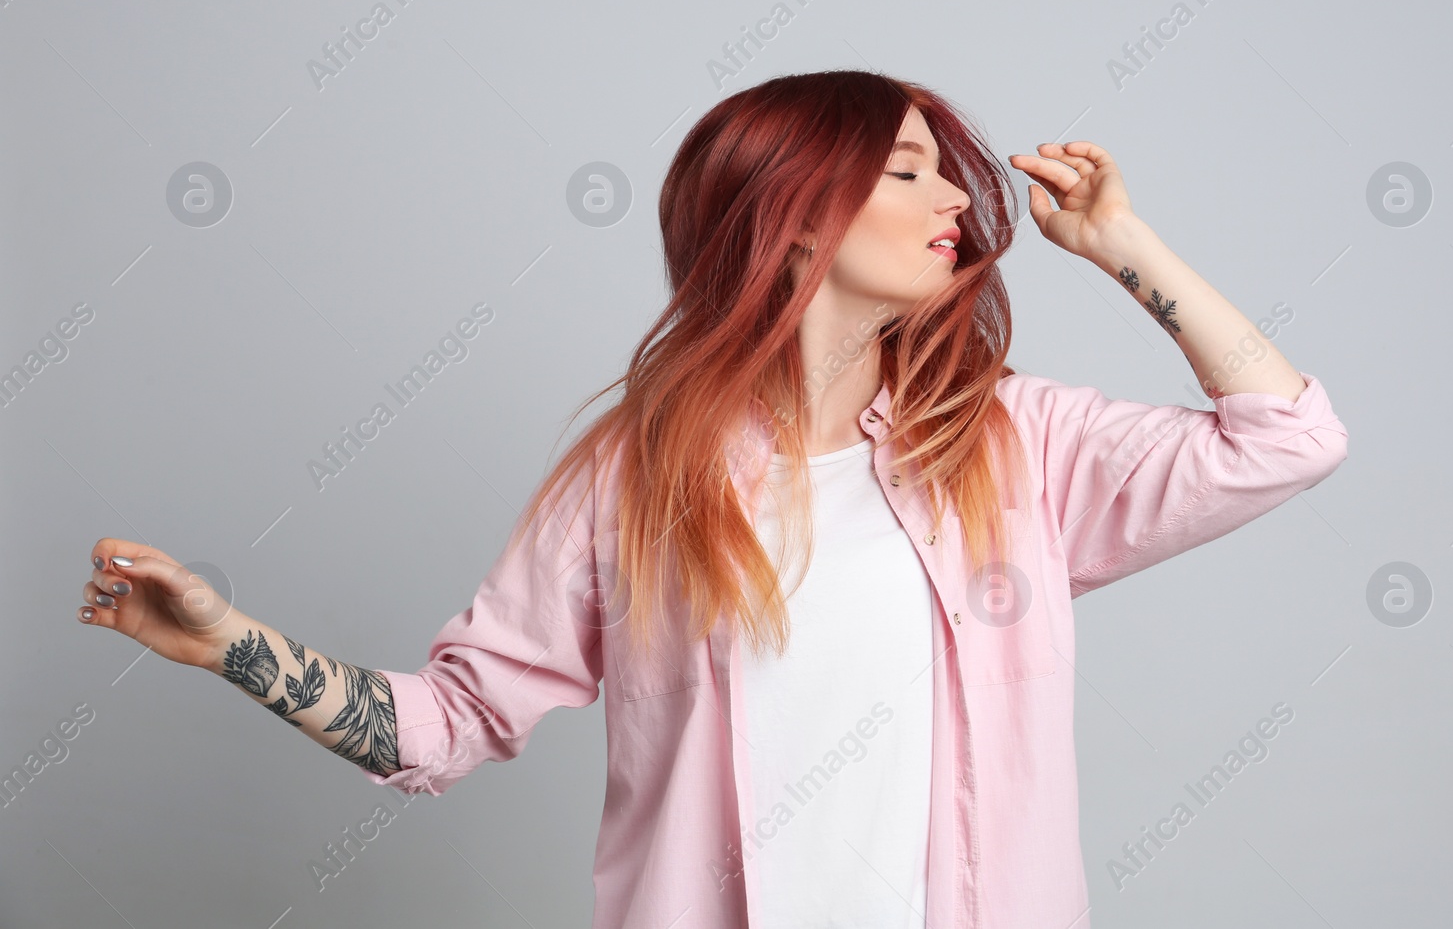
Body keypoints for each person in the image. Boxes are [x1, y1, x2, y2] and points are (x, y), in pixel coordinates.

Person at [77, 69, 1349, 928]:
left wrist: (1125, 246)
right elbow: (447, 726)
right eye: (907, 171)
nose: (958, 196)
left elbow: (1285, 438)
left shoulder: (1012, 444)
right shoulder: (633, 477)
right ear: (794, 215)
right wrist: (231, 646)